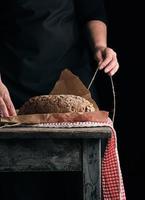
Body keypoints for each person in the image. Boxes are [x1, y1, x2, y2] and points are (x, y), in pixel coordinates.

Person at [0, 0, 119, 199]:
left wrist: (100, 46)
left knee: (73, 185)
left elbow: (92, 9)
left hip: (71, 83)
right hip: (12, 86)